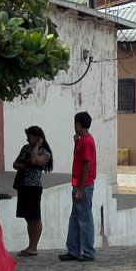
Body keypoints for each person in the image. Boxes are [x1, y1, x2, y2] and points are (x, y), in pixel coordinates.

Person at [60, 112, 97, 263]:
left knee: (85, 218)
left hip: (84, 185)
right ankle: (73, 250)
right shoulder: (82, 141)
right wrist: (75, 143)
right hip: (78, 184)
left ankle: (88, 251)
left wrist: (81, 189)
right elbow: (78, 158)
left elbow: (87, 164)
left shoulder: (87, 141)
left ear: (79, 124)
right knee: (75, 218)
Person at [12, 126, 52, 257]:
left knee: (35, 217)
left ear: (38, 137)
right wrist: (23, 166)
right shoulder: (25, 148)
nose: (28, 139)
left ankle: (34, 246)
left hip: (34, 187)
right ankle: (30, 245)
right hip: (23, 185)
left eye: (30, 136)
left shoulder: (44, 152)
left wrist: (37, 146)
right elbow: (15, 164)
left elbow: (35, 160)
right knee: (28, 217)